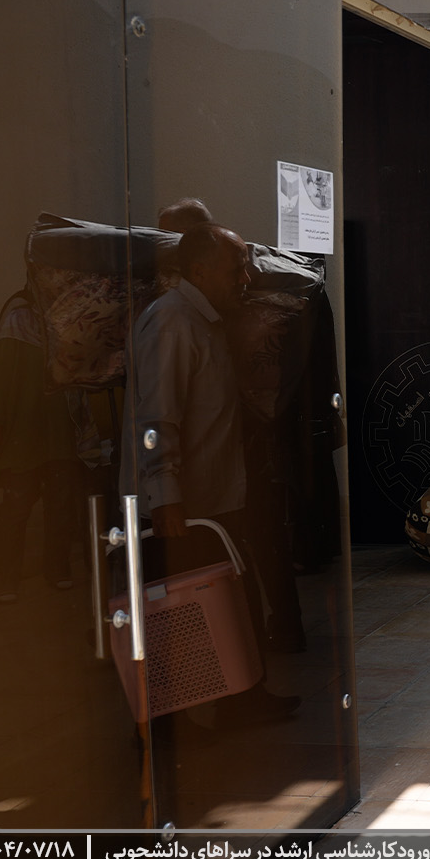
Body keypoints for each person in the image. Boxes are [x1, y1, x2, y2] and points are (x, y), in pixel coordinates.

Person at [126, 222, 300, 723]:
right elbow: (156, 420)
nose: (245, 278)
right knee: (177, 614)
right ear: (199, 271)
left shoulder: (206, 320)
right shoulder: (172, 323)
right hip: (183, 505)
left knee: (229, 602)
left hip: (215, 498)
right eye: (235, 268)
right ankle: (164, 726)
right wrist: (167, 498)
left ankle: (242, 697)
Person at [0, 281, 81, 602]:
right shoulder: (18, 317)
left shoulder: (75, 314)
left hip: (61, 428)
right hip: (22, 430)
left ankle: (57, 568)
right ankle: (4, 578)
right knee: (16, 506)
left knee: (61, 503)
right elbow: (1, 378)